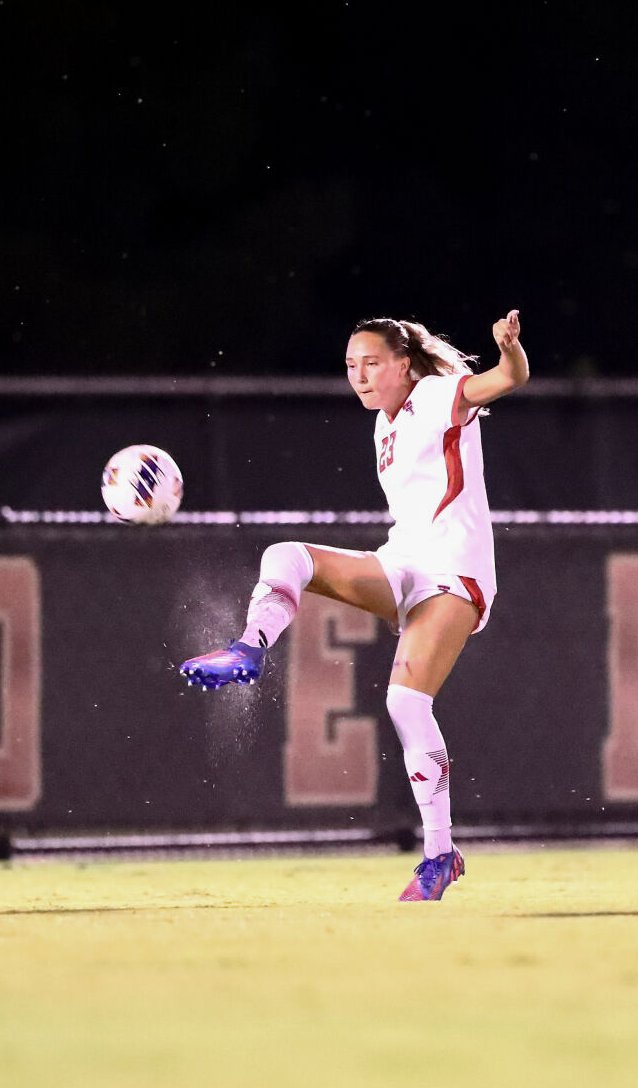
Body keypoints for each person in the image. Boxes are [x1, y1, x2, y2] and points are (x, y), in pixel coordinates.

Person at [180, 311, 527, 901]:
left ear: (403, 364)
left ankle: (440, 856)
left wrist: (509, 350)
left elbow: (506, 379)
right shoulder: (383, 428)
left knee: (405, 702)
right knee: (288, 554)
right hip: (403, 562)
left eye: (371, 364)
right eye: (349, 367)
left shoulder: (440, 393)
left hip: (454, 571)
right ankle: (250, 649)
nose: (359, 377)